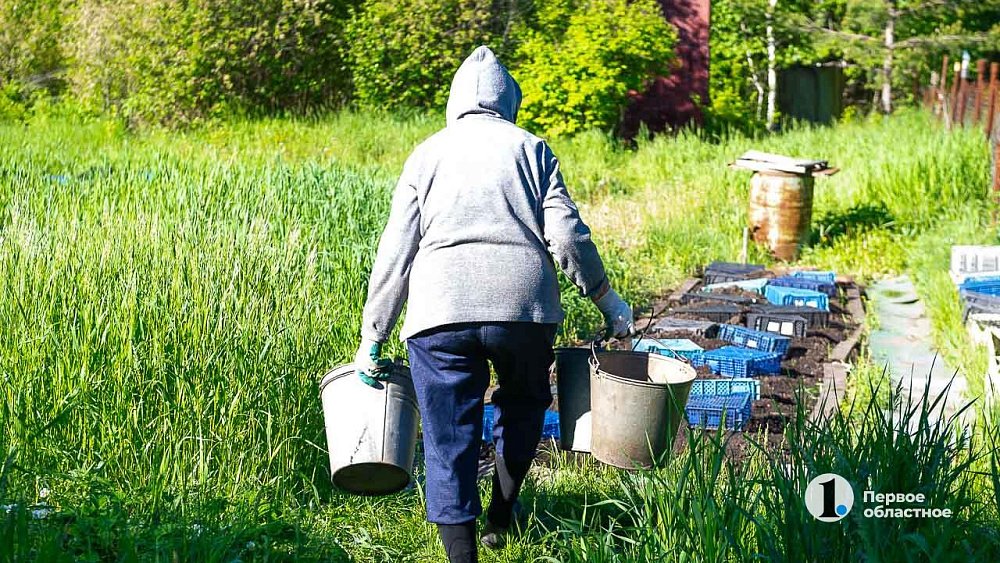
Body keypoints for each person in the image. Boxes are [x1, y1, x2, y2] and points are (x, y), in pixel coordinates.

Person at [353, 45, 635, 563]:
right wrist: (607, 300)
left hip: (440, 313)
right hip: (523, 311)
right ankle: (500, 515)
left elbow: (395, 251)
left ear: (455, 101)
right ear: (510, 101)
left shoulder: (426, 153)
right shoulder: (533, 149)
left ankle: (463, 556)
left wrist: (374, 336)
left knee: (447, 434)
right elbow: (568, 239)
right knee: (524, 407)